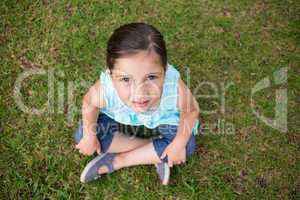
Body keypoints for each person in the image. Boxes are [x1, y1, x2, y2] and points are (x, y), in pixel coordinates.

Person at [74, 22, 200, 185]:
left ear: (165, 71)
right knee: (83, 134)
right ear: (110, 75)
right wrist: (90, 137)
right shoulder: (106, 90)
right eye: (126, 79)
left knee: (185, 146)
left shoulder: (173, 88)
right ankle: (153, 149)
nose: (140, 93)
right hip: (120, 115)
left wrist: (177, 144)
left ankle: (119, 160)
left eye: (151, 77)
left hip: (164, 118)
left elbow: (191, 110)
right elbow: (89, 103)